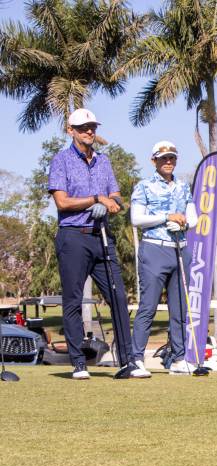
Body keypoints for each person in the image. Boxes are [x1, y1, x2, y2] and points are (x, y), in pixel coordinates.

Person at [48, 108, 135, 380]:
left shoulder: (104, 161)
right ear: (70, 130)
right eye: (84, 127)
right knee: (73, 301)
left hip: (102, 236)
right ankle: (78, 363)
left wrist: (110, 205)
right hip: (73, 237)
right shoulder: (60, 161)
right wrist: (96, 199)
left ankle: (128, 361)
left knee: (118, 298)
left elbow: (117, 199)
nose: (89, 131)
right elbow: (62, 202)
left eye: (92, 127)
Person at [130, 141, 198, 376]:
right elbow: (136, 219)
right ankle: (136, 359)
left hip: (180, 248)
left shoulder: (182, 186)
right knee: (148, 306)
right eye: (163, 158)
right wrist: (165, 217)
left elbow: (193, 217)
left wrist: (184, 222)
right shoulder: (144, 186)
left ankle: (179, 358)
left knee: (179, 308)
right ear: (154, 161)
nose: (168, 162)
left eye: (172, 158)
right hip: (154, 249)